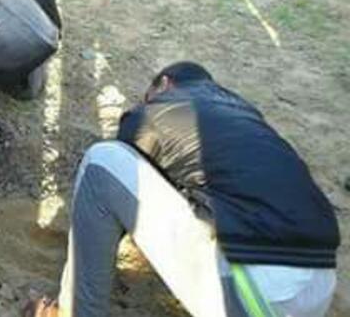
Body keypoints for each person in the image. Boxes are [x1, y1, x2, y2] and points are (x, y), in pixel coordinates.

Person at [27, 62, 340, 317]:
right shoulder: (242, 114)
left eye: (147, 96)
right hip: (320, 286)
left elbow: (117, 191)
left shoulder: (158, 111)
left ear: (165, 84)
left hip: (257, 295)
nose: (143, 103)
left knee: (102, 162)